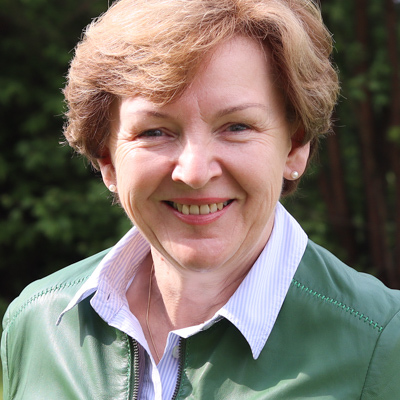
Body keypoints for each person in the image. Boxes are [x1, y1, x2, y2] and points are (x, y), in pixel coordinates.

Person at [2, 0, 400, 398]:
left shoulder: (384, 343)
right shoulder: (38, 324)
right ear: (107, 160)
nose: (194, 172)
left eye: (237, 127)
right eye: (154, 132)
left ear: (295, 147)